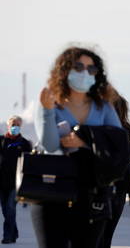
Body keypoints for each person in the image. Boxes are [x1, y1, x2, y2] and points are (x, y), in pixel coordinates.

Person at [34, 46, 123, 248]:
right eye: (79, 67)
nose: (85, 73)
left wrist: (84, 141)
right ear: (65, 70)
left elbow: (117, 143)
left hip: (91, 191)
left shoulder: (104, 107)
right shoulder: (49, 102)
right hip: (52, 190)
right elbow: (49, 145)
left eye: (91, 69)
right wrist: (48, 112)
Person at [100, 94, 130, 248]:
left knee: (101, 234)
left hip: (112, 188)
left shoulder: (122, 130)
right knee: (105, 234)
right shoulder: (126, 130)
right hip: (116, 187)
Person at [0, 115, 32, 244]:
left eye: (17, 125)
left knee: (10, 208)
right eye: (13, 124)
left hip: (17, 183)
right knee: (5, 210)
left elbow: (29, 162)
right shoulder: (1, 140)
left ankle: (7, 236)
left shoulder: (24, 143)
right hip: (2, 182)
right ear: (8, 126)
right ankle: (14, 232)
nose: (15, 127)